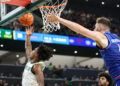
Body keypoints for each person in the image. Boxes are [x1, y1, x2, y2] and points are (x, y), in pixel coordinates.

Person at [46, 13, 120, 85]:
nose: (94, 29)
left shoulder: (101, 36)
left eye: (95, 27)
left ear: (99, 27)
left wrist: (59, 19)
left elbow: (80, 30)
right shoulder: (115, 37)